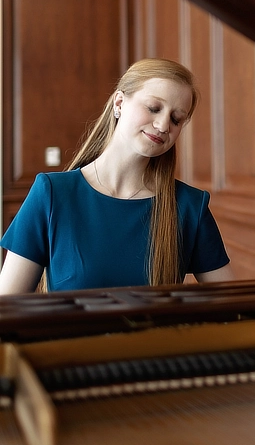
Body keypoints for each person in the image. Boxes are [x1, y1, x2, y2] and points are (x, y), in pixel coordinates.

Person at [0, 58, 234, 294]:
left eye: (176, 119)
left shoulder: (190, 205)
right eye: (153, 108)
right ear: (119, 103)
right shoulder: (51, 193)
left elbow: (232, 306)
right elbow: (7, 308)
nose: (164, 125)